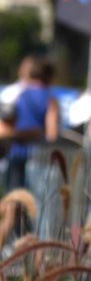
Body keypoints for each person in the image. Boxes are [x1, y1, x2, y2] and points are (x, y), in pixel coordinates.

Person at [0, 56, 59, 190]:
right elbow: (52, 134)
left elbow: (6, 125)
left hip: (15, 152)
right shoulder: (50, 98)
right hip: (37, 155)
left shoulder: (18, 94)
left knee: (13, 198)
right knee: (39, 203)